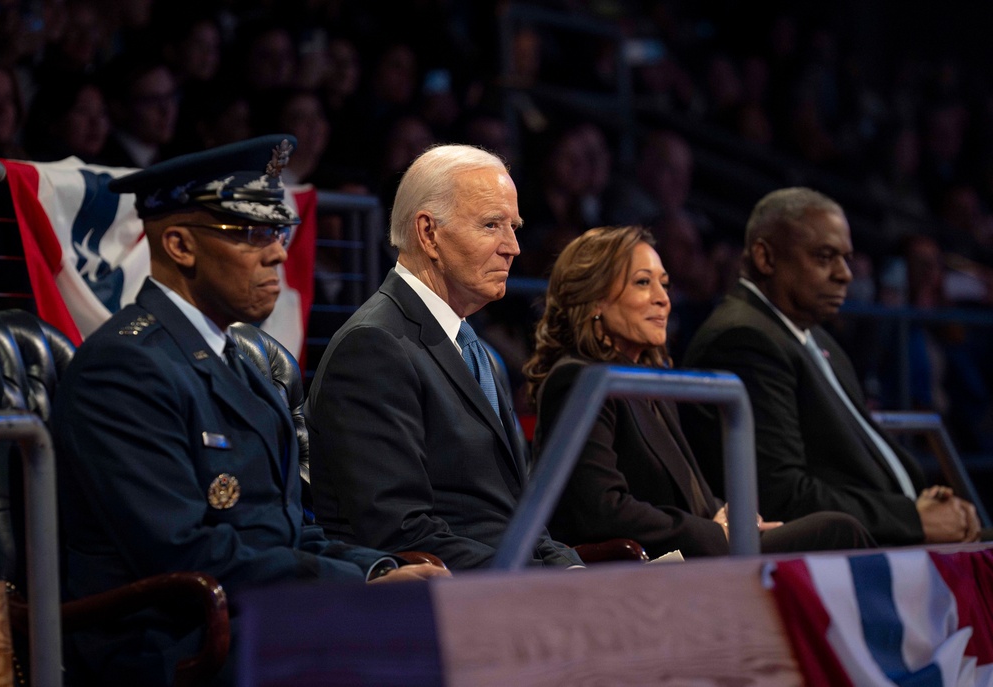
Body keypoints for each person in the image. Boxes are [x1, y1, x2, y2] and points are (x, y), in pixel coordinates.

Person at [53, 134, 449, 687]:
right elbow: (185, 553)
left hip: (252, 617)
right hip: (174, 644)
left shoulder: (243, 363)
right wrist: (355, 587)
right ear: (179, 246)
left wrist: (378, 568)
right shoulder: (124, 367)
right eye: (251, 233)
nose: (279, 252)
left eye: (279, 231)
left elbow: (280, 533)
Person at [305, 144, 583, 570]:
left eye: (514, 227)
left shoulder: (480, 353)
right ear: (428, 233)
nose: (513, 247)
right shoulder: (373, 348)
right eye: (492, 225)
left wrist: (572, 572)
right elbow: (399, 531)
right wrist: (535, 581)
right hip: (444, 609)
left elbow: (518, 517)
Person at [524, 225, 875, 558]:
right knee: (837, 531)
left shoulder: (650, 380)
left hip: (700, 548)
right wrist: (716, 533)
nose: (663, 299)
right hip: (654, 564)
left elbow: (689, 490)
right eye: (643, 283)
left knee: (834, 530)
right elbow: (601, 510)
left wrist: (731, 516)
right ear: (595, 300)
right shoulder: (577, 380)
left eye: (664, 284)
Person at [681, 187, 983, 547]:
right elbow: (782, 494)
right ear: (765, 258)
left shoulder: (814, 335)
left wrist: (927, 504)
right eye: (825, 257)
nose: (845, 274)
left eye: (846, 258)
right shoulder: (743, 338)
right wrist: (912, 518)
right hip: (859, 551)